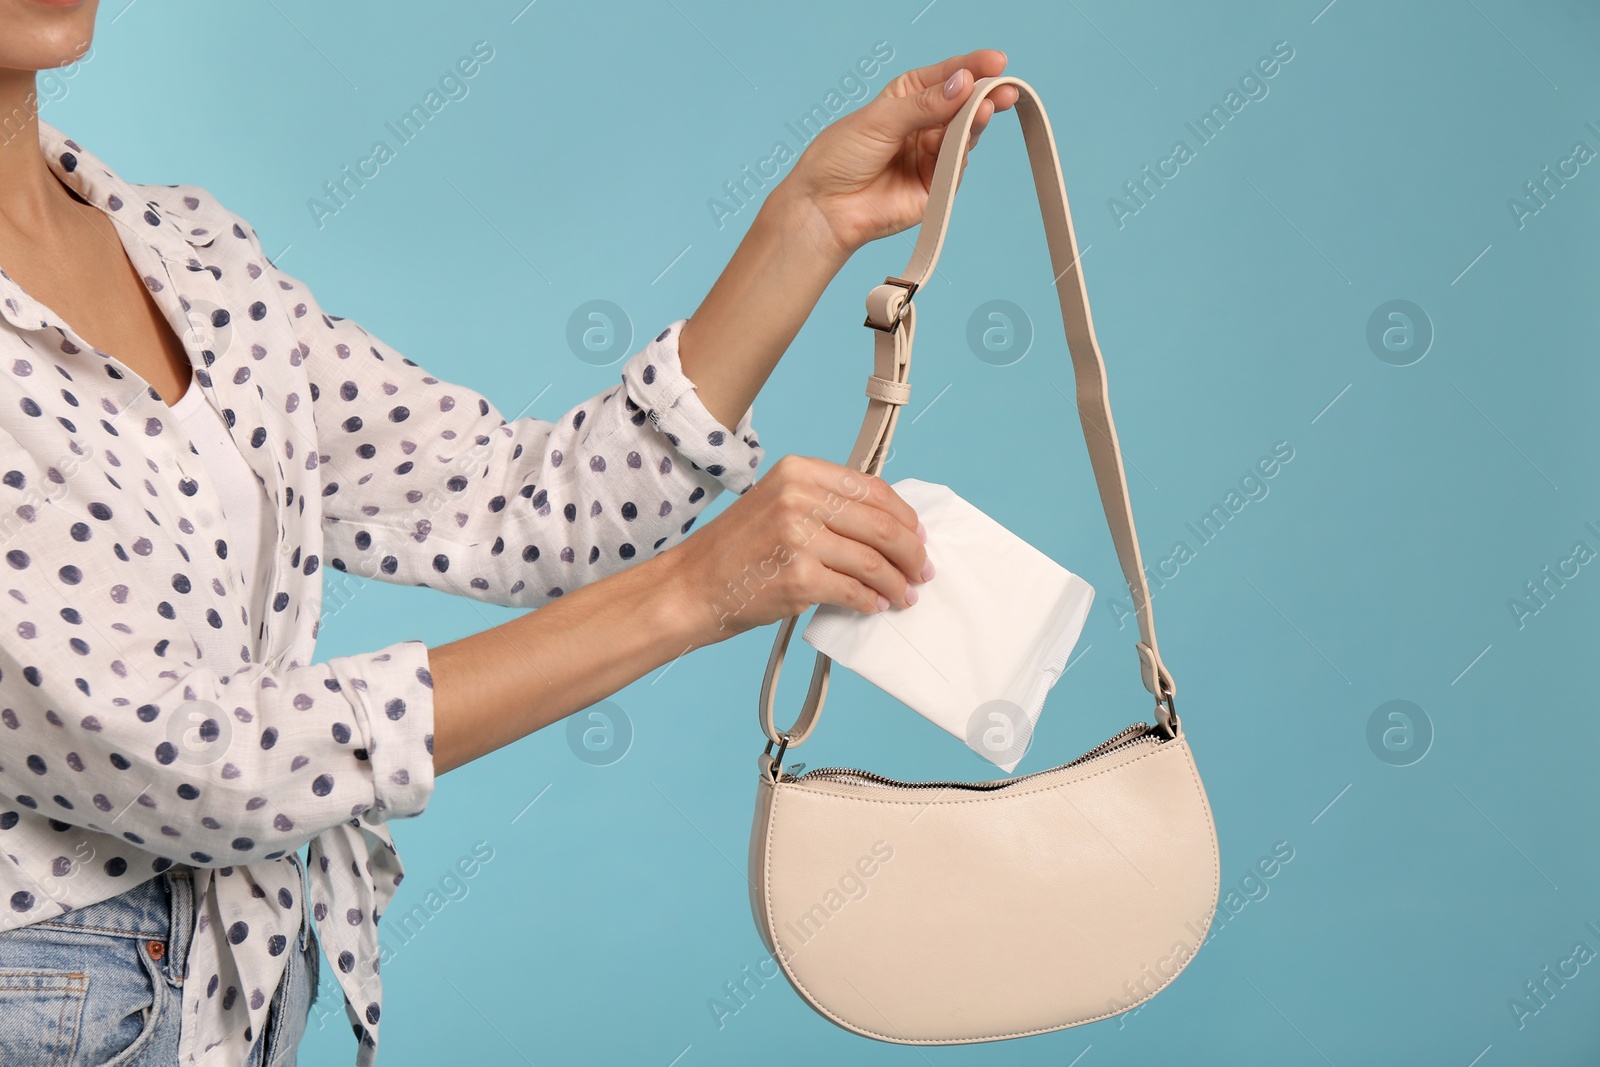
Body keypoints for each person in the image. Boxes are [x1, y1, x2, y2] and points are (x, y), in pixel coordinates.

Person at [0, 1, 1019, 1063]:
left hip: (234, 986)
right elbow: (204, 761)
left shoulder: (186, 250)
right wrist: (691, 593)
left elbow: (520, 503)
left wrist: (809, 223)